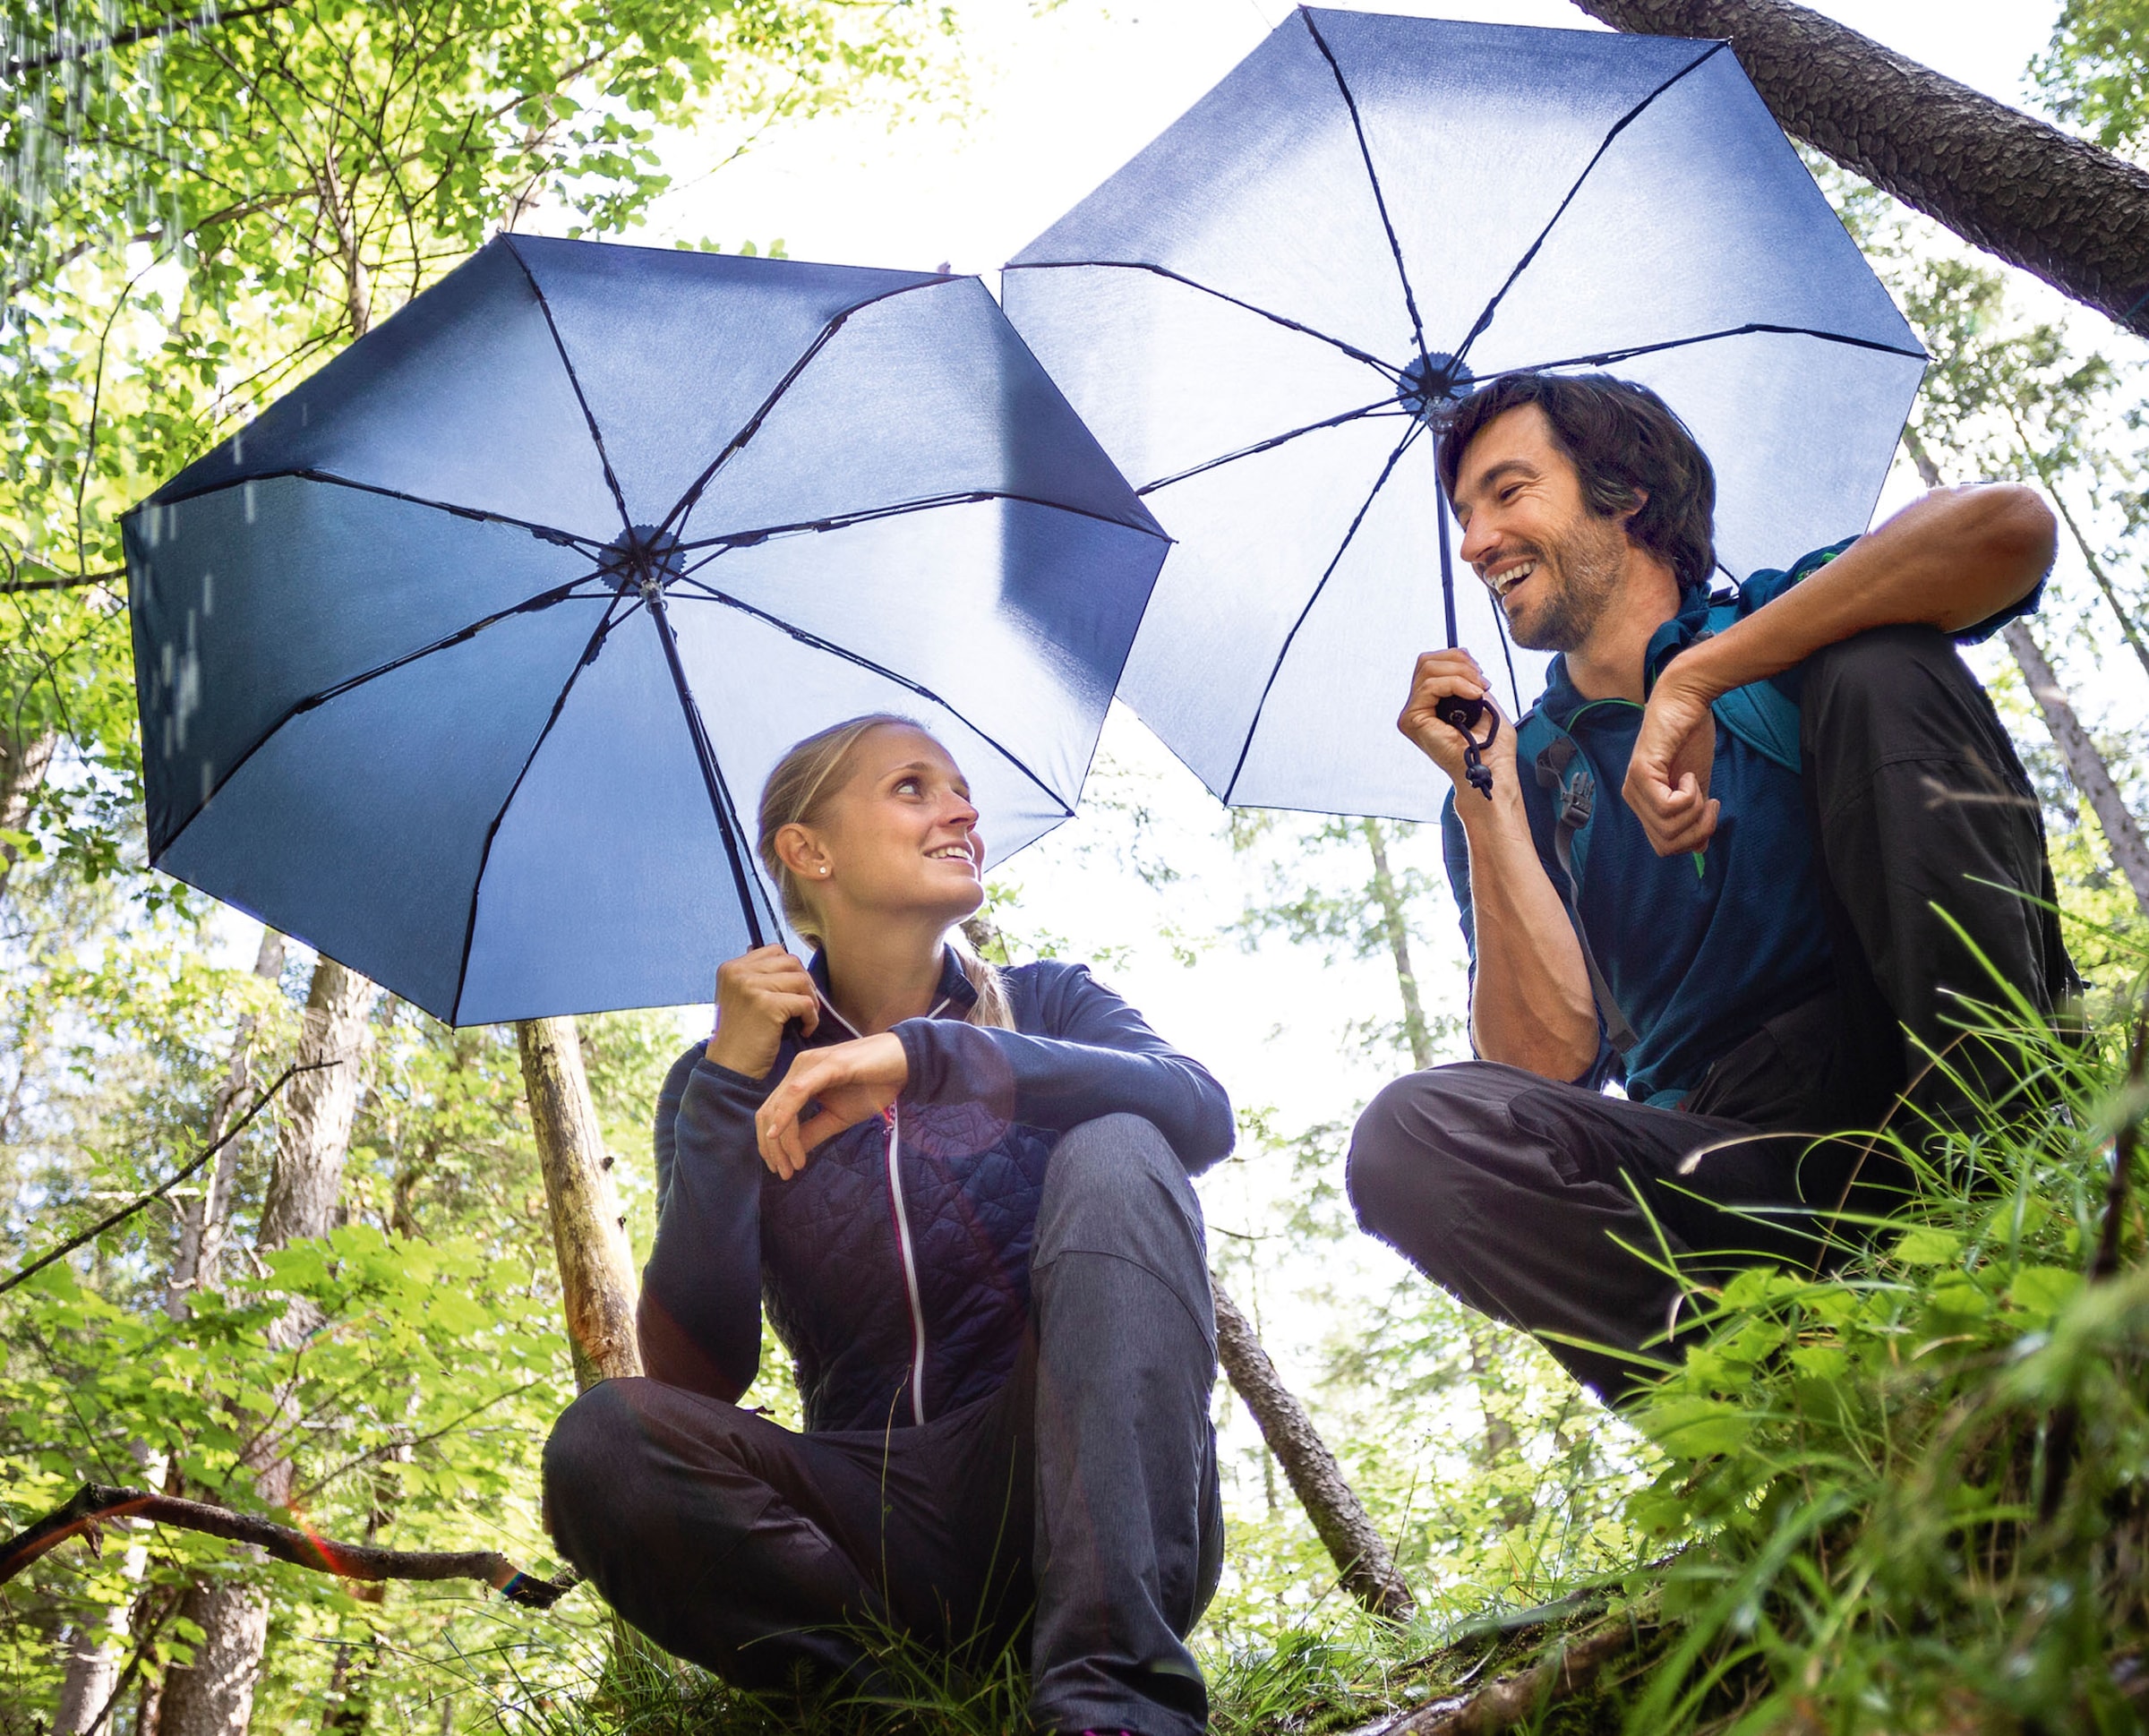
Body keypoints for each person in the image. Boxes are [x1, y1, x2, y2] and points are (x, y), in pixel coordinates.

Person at [1347, 372, 2071, 1403]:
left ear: (1624, 491)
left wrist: (1699, 677)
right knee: (1406, 1138)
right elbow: (1546, 1067)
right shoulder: (1519, 776)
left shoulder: (1782, 620)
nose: (1476, 542)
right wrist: (1486, 791)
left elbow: (2009, 528)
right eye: (1464, 515)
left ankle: (2015, 1190)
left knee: (1881, 660)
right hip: (1732, 1163)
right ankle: (1780, 1406)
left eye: (1509, 493)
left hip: (1928, 1057)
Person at [543, 713, 1233, 1736]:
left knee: (1120, 1145)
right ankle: (889, 1712)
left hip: (1074, 1494)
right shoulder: (723, 1078)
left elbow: (1200, 1110)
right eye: (913, 787)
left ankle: (1114, 1700)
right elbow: (693, 1381)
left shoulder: (1049, 1003)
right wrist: (731, 1088)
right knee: (602, 1440)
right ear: (807, 851)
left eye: (960, 791)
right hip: (873, 1529)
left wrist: (933, 1059)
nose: (962, 810)